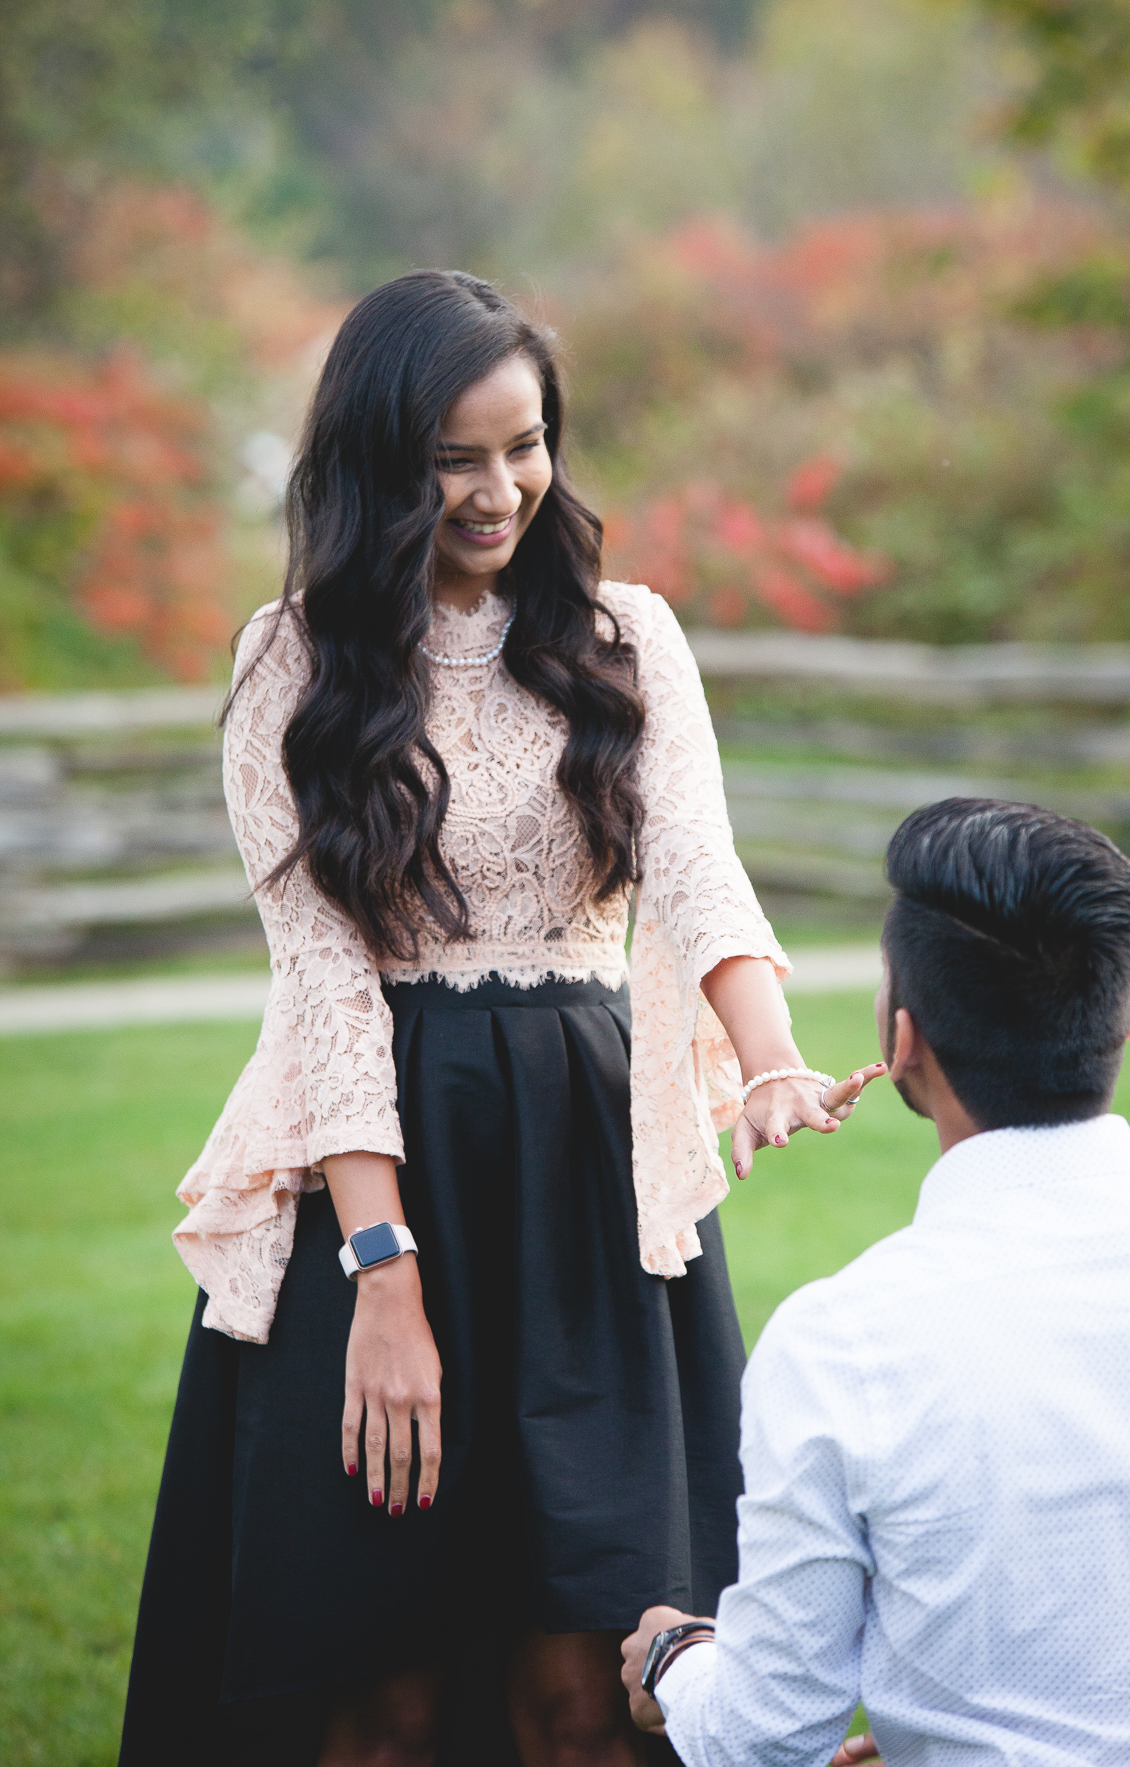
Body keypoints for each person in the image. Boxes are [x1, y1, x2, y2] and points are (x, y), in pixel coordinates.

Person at [119, 269, 884, 1767]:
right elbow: (323, 980)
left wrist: (771, 1057)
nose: (498, 490)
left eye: (524, 445)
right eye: (452, 458)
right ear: (375, 464)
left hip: (589, 1185)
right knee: (382, 1700)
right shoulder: (287, 664)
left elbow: (699, 873)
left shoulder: (628, 637)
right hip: (376, 1186)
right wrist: (382, 1279)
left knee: (589, 1691)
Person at [623, 796, 1130, 1767]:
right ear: (1127, 1014)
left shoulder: (840, 1346)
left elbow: (761, 1736)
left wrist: (671, 1657)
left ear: (900, 1044)